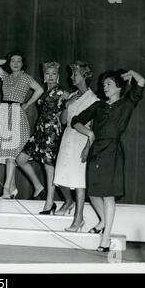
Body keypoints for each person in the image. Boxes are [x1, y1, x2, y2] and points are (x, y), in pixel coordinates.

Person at [71, 69, 145, 251]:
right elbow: (76, 120)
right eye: (103, 84)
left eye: (109, 84)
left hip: (112, 151)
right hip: (96, 150)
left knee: (108, 195)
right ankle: (103, 221)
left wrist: (129, 74)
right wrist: (89, 133)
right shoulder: (98, 106)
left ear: (119, 87)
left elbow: (141, 81)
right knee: (93, 193)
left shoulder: (127, 103)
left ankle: (105, 239)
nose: (105, 87)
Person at [0, 52, 44, 199]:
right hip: (4, 113)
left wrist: (27, 104)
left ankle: (6, 188)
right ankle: (13, 188)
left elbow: (40, 90)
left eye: (19, 61)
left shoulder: (26, 77)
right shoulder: (5, 76)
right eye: (13, 61)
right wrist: (7, 61)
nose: (16, 63)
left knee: (12, 154)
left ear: (23, 63)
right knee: (8, 154)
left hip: (17, 113)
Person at [16, 61, 69, 213]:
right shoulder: (44, 91)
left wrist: (63, 111)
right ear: (44, 77)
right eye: (48, 74)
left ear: (58, 77)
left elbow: (69, 102)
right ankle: (39, 187)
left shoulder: (61, 92)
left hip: (51, 131)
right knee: (21, 159)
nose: (50, 76)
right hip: (40, 130)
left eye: (53, 74)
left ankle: (49, 202)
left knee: (48, 166)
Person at [53, 61, 98, 231]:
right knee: (60, 176)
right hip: (68, 138)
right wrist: (66, 105)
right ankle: (68, 201)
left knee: (79, 181)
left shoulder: (93, 99)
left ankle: (78, 219)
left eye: (75, 74)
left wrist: (88, 147)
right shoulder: (73, 95)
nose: (71, 77)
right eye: (72, 74)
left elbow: (93, 126)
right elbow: (64, 121)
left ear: (84, 76)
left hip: (82, 140)